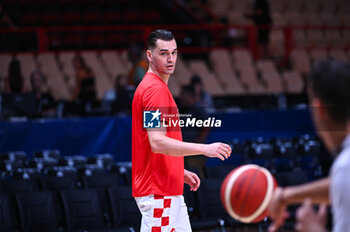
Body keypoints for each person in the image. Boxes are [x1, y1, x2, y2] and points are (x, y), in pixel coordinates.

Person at [132, 29, 231, 231]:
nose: (171, 59)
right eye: (164, 53)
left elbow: (154, 142)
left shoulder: (154, 87)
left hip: (166, 189)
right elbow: (157, 142)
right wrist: (204, 149)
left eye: (174, 52)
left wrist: (177, 169)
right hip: (159, 192)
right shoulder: (154, 91)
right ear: (149, 56)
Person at [268, 59, 350, 232]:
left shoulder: (345, 165)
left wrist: (314, 229)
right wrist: (287, 196)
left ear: (319, 109)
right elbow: (342, 184)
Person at [179, 85, 210, 179]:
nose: (180, 97)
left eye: (182, 94)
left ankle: (201, 192)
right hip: (182, 149)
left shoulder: (198, 108)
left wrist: (197, 142)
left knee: (196, 172)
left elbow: (207, 125)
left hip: (195, 150)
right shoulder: (181, 108)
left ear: (189, 96)